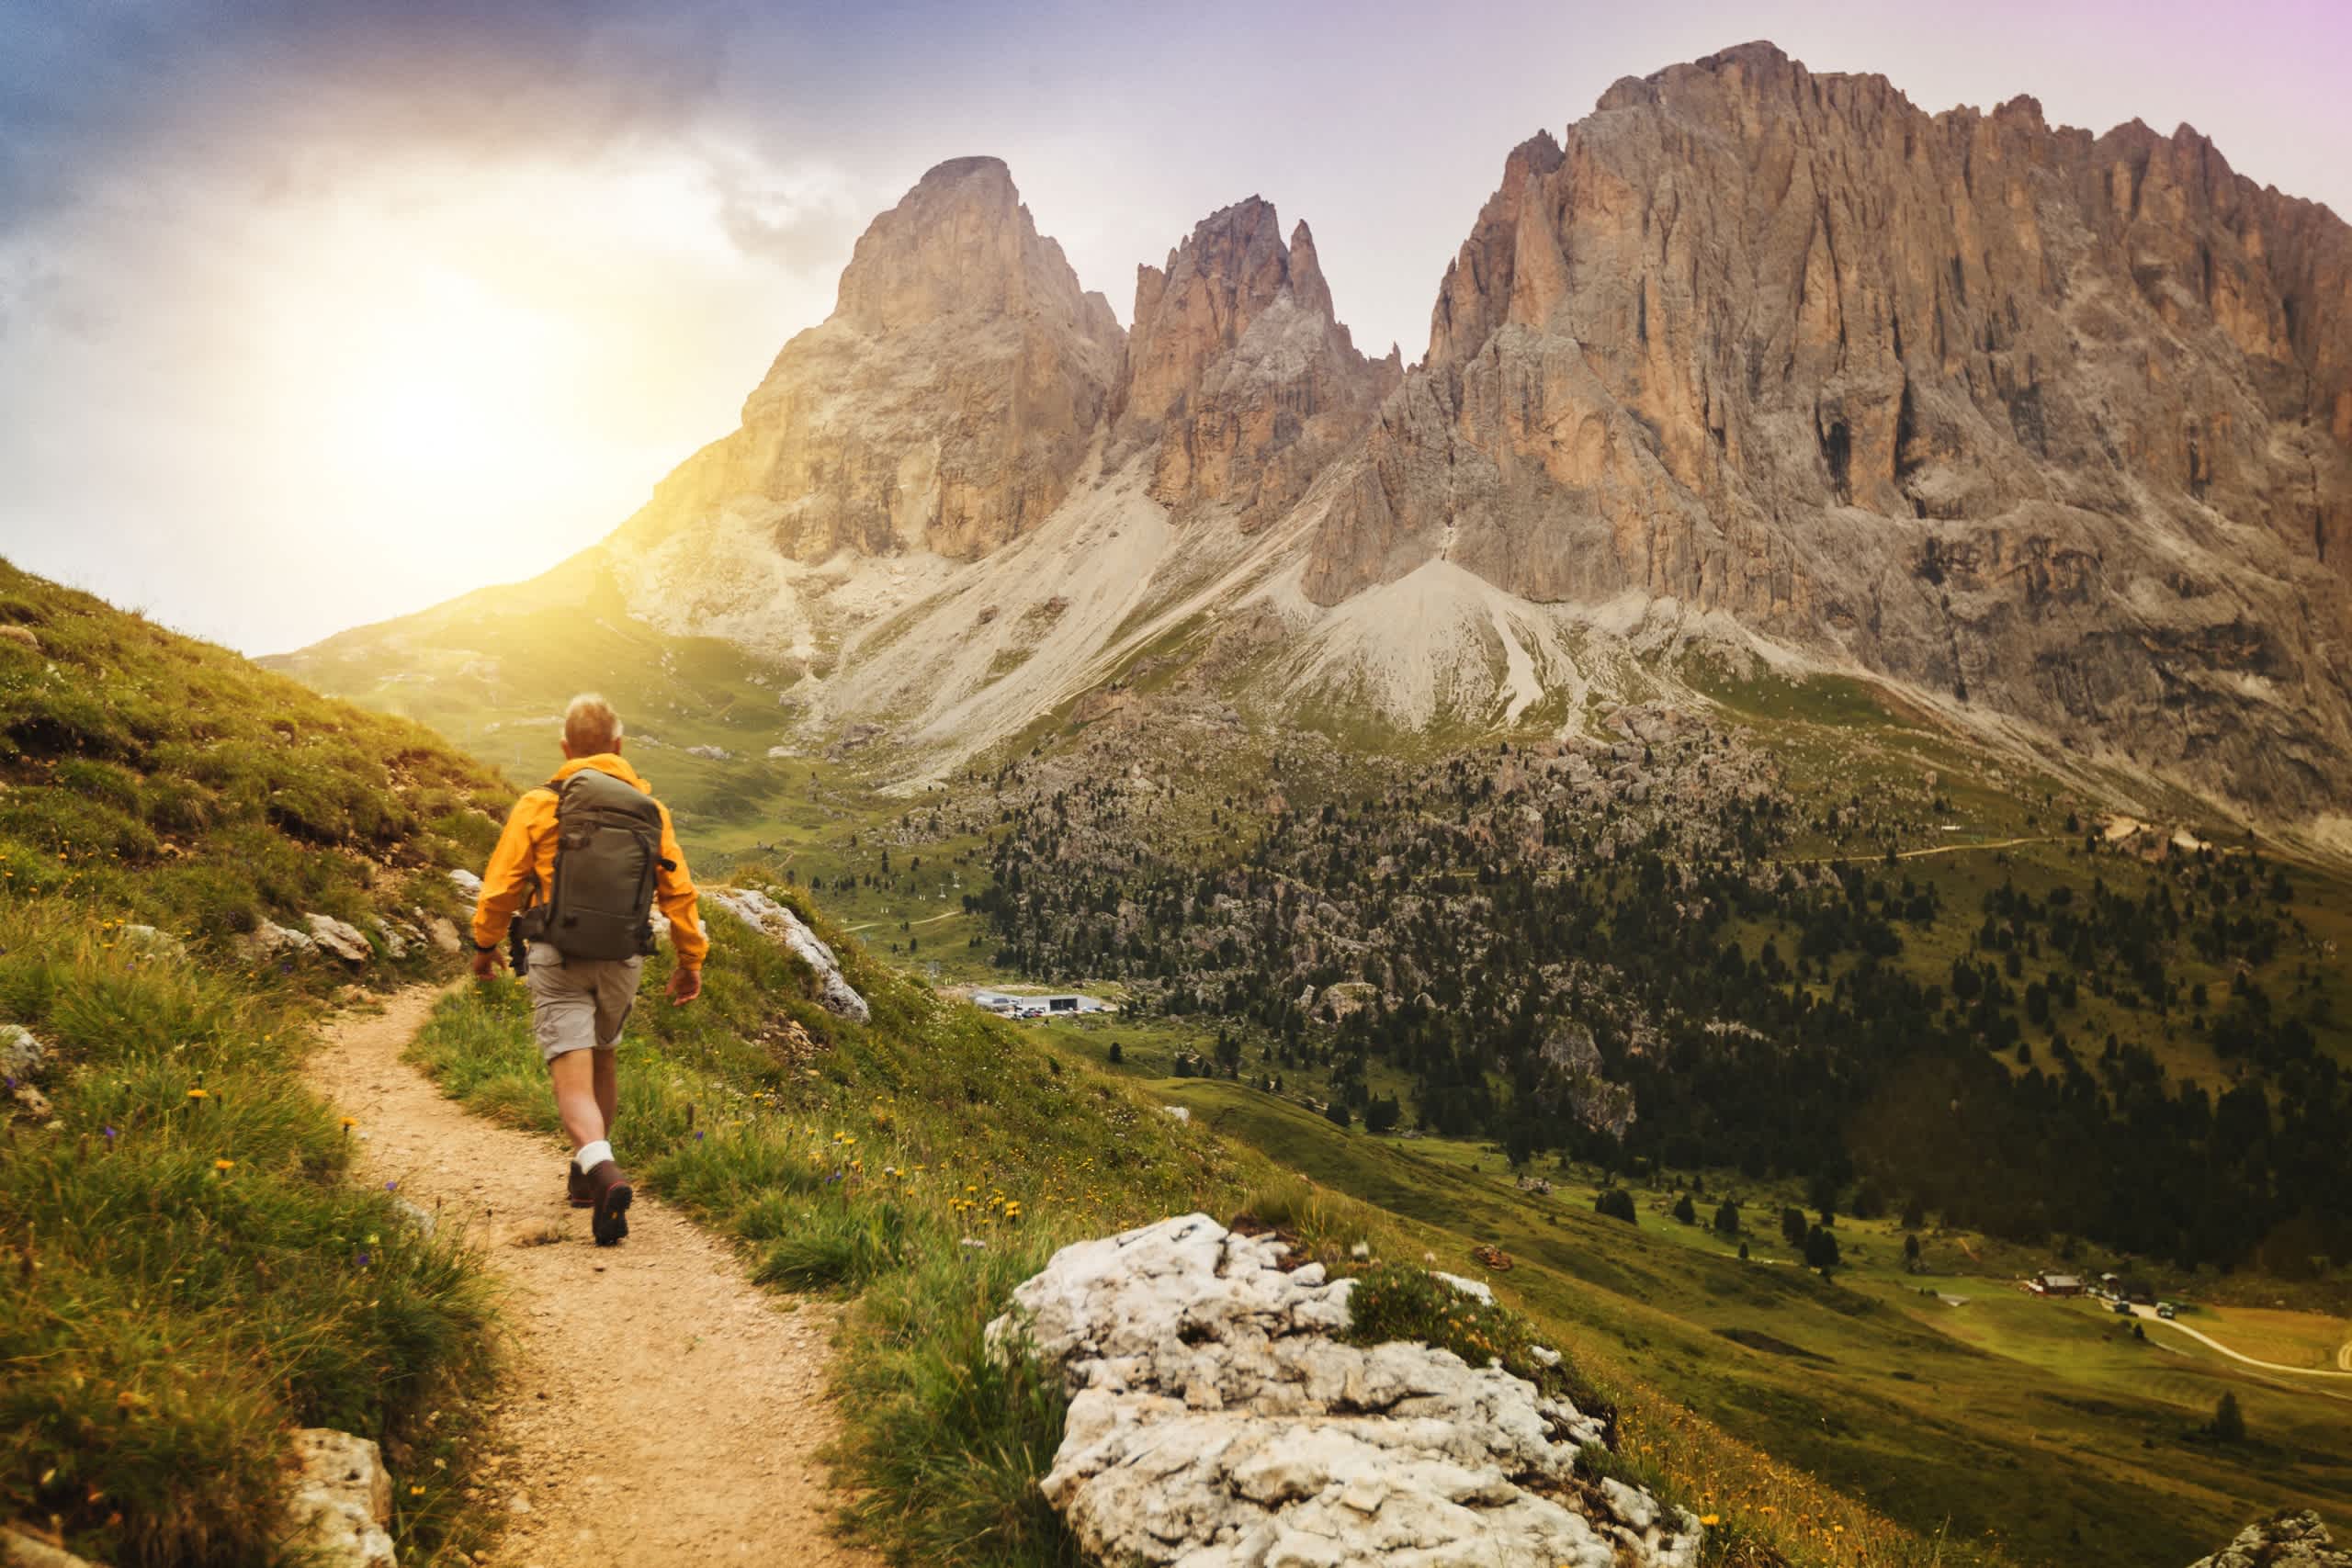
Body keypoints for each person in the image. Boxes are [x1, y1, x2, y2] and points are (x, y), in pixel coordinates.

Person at [469, 694, 706, 1245]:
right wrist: (690, 961)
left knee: (570, 1080)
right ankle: (583, 1179)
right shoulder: (651, 811)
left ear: (566, 748)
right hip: (622, 957)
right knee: (604, 1060)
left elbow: (503, 886)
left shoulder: (538, 804)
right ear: (619, 747)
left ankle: (603, 1171)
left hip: (559, 955)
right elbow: (680, 893)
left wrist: (484, 947)